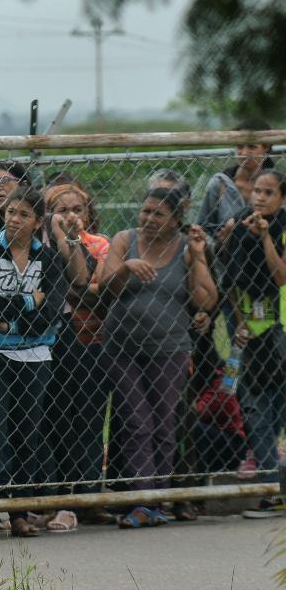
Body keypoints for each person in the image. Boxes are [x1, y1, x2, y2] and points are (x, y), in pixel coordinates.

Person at [99, 188, 217, 529]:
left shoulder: (185, 248)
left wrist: (197, 256)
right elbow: (105, 290)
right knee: (138, 422)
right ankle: (142, 500)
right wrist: (126, 268)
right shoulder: (125, 240)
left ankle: (156, 501)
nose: (148, 219)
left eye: (158, 214)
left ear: (176, 220)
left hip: (170, 349)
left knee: (165, 424)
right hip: (122, 350)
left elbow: (206, 300)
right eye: (145, 211)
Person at [0, 185, 70, 541]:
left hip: (34, 355)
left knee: (26, 433)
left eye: (23, 215)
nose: (14, 220)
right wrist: (27, 303)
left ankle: (19, 511)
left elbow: (53, 309)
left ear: (38, 221)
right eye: (10, 213)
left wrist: (15, 322)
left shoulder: (49, 260)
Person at [42, 182, 112, 531]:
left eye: (78, 209)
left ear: (89, 213)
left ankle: (86, 494)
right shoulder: (40, 244)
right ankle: (56, 495)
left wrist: (68, 285)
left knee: (88, 417)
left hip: (90, 340)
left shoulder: (99, 245)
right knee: (54, 417)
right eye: (63, 209)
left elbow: (90, 290)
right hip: (53, 339)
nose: (71, 216)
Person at [220, 170, 286, 518]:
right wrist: (239, 320)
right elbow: (229, 278)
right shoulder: (240, 224)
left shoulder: (281, 228)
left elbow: (280, 275)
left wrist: (265, 239)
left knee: (277, 409)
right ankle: (270, 487)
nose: (259, 198)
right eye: (257, 191)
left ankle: (274, 484)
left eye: (269, 192)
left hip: (281, 332)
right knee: (255, 409)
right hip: (251, 332)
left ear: (282, 198)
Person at [198, 122, 274, 236]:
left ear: (266, 148)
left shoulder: (278, 185)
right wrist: (219, 241)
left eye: (251, 146)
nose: (244, 153)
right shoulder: (220, 184)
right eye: (239, 146)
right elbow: (203, 228)